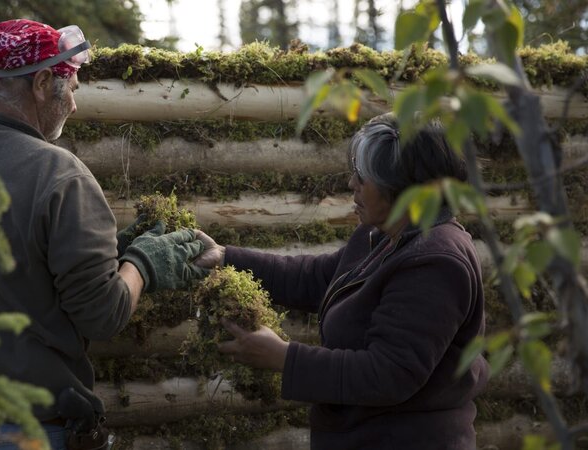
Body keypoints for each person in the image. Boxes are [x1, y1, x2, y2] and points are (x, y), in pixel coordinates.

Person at [0, 19, 205, 450]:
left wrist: (104, 256)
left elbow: (11, 271)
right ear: (41, 83)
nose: (74, 105)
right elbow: (102, 314)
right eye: (71, 86)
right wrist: (143, 263)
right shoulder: (61, 176)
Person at [194, 114, 489, 449]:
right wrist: (226, 257)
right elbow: (318, 277)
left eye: (363, 177)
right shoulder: (383, 236)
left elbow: (388, 374)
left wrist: (284, 358)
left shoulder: (435, 262)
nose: (352, 184)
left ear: (401, 189)